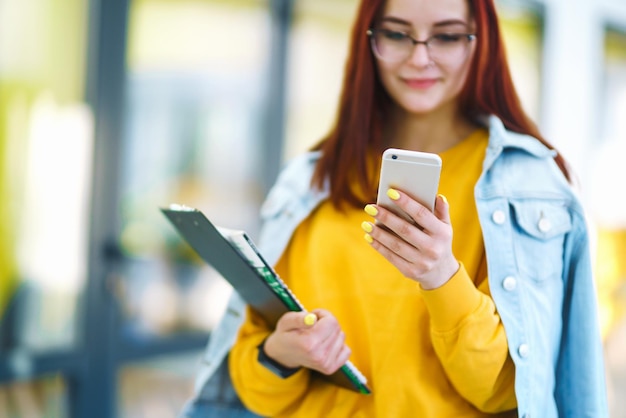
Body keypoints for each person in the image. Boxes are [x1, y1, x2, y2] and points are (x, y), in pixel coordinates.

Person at [181, 0, 608, 416]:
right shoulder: (309, 181)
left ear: (481, 42)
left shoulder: (532, 187)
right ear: (369, 39)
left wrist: (440, 276)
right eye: (397, 34)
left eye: (447, 36)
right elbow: (254, 388)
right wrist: (281, 354)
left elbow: (501, 390)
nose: (420, 58)